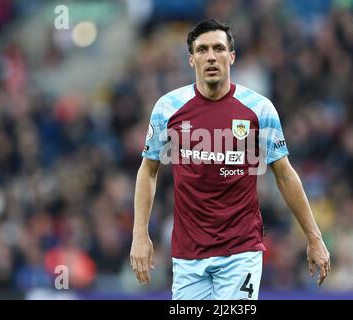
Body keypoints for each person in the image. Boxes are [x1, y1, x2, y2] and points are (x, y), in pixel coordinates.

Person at [130, 19, 331, 300]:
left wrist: (314, 237)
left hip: (241, 251)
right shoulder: (168, 108)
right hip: (188, 255)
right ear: (191, 60)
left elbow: (284, 174)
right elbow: (148, 170)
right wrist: (140, 233)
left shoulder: (259, 109)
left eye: (218, 48)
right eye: (202, 50)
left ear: (231, 56)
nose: (211, 56)